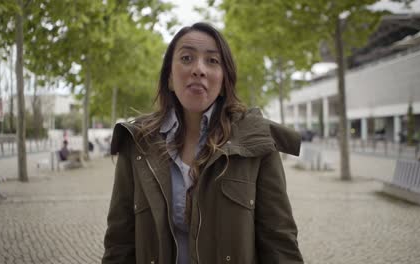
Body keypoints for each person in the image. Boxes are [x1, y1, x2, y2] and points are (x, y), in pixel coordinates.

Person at [102, 22, 303, 264]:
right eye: (187, 58)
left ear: (223, 81)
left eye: (212, 61)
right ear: (169, 78)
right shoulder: (137, 143)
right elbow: (119, 244)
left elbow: (279, 243)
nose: (199, 69)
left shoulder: (256, 140)